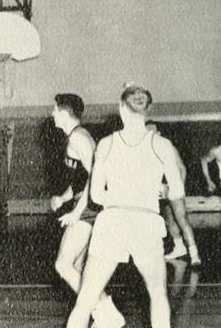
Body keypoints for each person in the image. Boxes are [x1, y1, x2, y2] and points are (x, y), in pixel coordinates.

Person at [67, 83, 182, 328]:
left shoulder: (107, 144)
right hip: (147, 223)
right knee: (158, 294)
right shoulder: (163, 146)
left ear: (121, 108)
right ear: (147, 110)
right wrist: (156, 191)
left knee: (85, 300)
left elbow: (96, 196)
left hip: (113, 223)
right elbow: (177, 191)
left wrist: (122, 197)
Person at [49, 94, 123, 327]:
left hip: (91, 208)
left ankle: (105, 311)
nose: (51, 114)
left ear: (63, 113)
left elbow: (95, 177)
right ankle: (97, 313)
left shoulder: (79, 138)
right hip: (88, 205)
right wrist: (63, 198)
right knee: (79, 268)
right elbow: (82, 178)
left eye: (54, 110)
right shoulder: (76, 137)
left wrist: (76, 213)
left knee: (63, 265)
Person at [146, 121, 201, 266]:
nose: (149, 133)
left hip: (172, 187)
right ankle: (179, 248)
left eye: (152, 131)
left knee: (182, 219)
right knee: (169, 221)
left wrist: (179, 187)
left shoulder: (166, 146)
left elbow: (182, 168)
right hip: (161, 188)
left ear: (158, 133)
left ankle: (194, 254)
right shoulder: (147, 148)